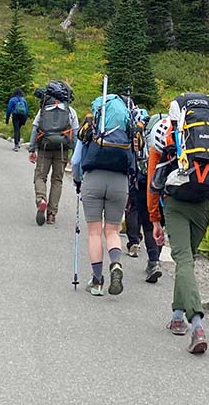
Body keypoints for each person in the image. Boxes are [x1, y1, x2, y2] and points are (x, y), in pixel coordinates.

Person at [147, 93, 209, 354]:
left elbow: (154, 182)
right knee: (188, 259)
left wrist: (154, 219)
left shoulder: (166, 136)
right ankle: (177, 315)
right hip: (203, 204)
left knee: (184, 261)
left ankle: (196, 324)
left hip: (175, 204)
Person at [72, 92, 135, 296]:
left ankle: (97, 281)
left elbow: (76, 161)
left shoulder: (92, 127)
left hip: (93, 179)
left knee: (94, 232)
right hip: (119, 181)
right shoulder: (127, 129)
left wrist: (77, 180)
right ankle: (115, 263)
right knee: (112, 231)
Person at [28, 81, 78, 226]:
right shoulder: (70, 111)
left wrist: (32, 149)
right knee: (57, 180)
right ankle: (51, 214)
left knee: (40, 176)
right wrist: (74, 152)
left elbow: (35, 128)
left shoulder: (44, 109)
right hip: (62, 149)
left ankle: (41, 200)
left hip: (44, 147)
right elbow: (75, 132)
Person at [124, 109, 163, 283]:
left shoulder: (143, 136)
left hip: (145, 182)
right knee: (161, 224)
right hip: (169, 186)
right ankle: (156, 259)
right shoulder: (172, 138)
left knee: (149, 224)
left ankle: (153, 261)